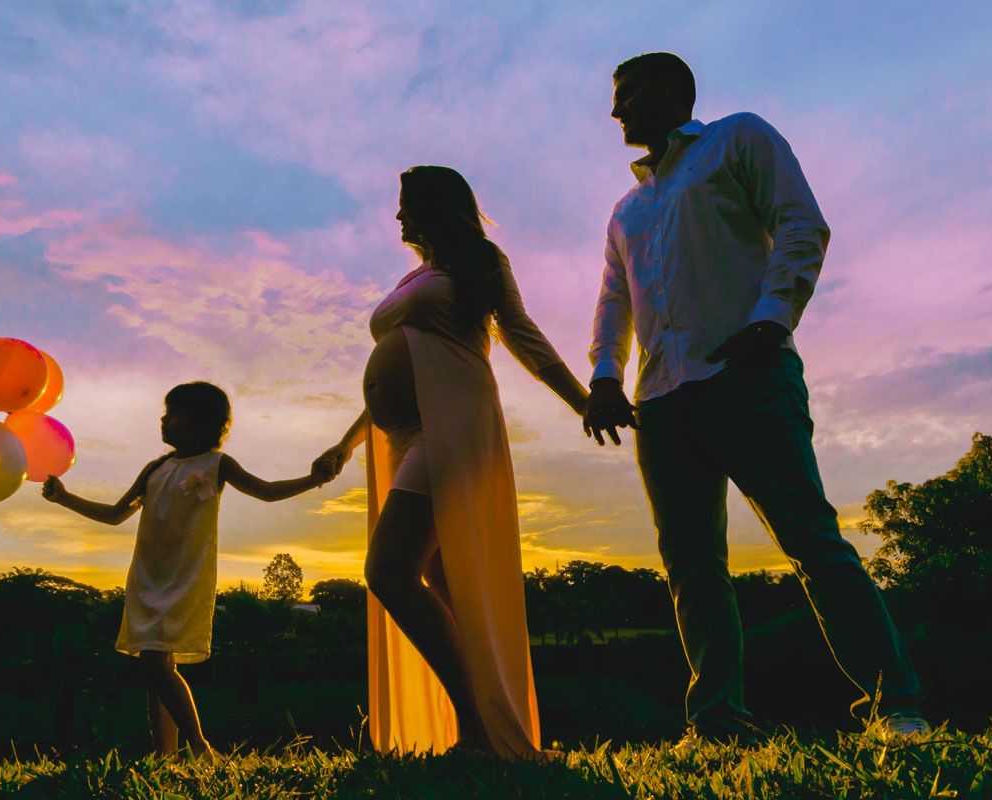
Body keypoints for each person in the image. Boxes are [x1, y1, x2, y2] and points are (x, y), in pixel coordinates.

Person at [582, 52, 928, 750]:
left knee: (809, 541)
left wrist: (772, 318)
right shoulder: (627, 208)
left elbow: (801, 222)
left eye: (628, 94)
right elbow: (615, 298)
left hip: (749, 376)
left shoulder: (738, 138)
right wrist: (603, 376)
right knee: (690, 564)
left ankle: (896, 706)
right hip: (663, 401)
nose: (616, 110)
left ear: (674, 90)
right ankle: (718, 721)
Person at [315, 166, 589, 759]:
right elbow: (398, 365)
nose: (397, 217)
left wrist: (583, 402)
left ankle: (479, 730)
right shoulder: (416, 276)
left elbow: (521, 334)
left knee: (388, 572)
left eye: (406, 204)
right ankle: (482, 732)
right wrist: (347, 443)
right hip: (403, 437)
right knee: (447, 585)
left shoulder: (480, 260)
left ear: (440, 206)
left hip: (450, 431)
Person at [42, 381, 336, 758]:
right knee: (157, 668)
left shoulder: (217, 464)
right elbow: (116, 515)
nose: (164, 420)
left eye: (174, 413)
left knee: (154, 663)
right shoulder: (157, 467)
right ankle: (166, 756)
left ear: (202, 421)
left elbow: (265, 491)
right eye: (165, 413)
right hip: (148, 576)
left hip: (185, 577)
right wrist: (64, 498)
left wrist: (313, 480)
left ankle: (200, 747)